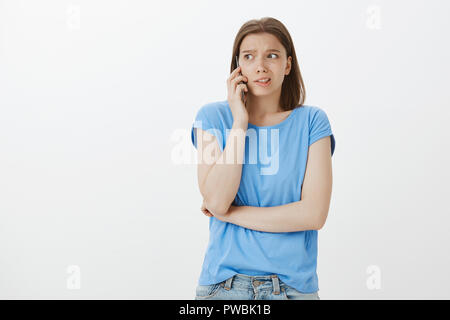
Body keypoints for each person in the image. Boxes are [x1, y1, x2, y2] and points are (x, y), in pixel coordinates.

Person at [190, 17, 335, 300]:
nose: (260, 66)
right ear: (238, 67)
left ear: (287, 65)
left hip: (294, 288)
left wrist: (230, 214)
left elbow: (314, 215)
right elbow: (217, 200)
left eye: (272, 55)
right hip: (224, 287)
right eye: (249, 56)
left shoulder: (312, 122)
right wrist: (240, 120)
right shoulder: (211, 118)